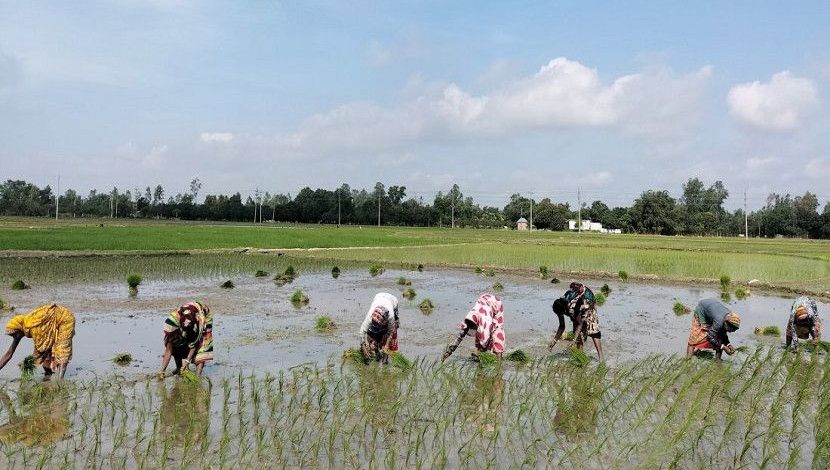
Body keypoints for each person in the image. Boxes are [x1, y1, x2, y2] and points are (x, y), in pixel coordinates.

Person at [0, 304, 76, 379]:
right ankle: (48, 373)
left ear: (19, 329)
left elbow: (41, 349)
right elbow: (9, 354)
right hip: (51, 322)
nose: (14, 337)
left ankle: (60, 380)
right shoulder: (21, 331)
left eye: (14, 334)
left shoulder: (33, 326)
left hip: (65, 318)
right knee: (46, 350)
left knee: (62, 348)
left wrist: (29, 362)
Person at [549, 282, 603, 361]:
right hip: (576, 310)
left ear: (564, 310)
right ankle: (580, 357)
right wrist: (554, 342)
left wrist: (573, 341)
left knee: (593, 332)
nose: (561, 316)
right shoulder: (560, 305)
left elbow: (580, 323)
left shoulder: (572, 307)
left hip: (588, 306)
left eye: (561, 314)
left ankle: (601, 359)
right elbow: (562, 326)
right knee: (578, 334)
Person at [442, 293, 505, 361]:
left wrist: (478, 353)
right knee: (481, 337)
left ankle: (499, 362)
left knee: (497, 332)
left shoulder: (485, 320)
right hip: (483, 301)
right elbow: (460, 337)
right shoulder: (469, 320)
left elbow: (486, 337)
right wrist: (449, 351)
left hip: (496, 304)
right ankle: (482, 357)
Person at [159, 301, 213, 378]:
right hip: (188, 321)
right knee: (176, 343)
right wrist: (162, 370)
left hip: (202, 317)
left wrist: (187, 362)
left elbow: (193, 344)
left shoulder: (192, 326)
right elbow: (168, 350)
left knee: (202, 346)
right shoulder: (175, 320)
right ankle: (179, 368)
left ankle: (197, 377)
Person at [359, 292, 400, 363]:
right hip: (379, 297)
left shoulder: (391, 317)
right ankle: (376, 350)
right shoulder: (370, 315)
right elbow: (362, 331)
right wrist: (363, 347)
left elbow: (390, 332)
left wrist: (387, 345)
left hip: (392, 301)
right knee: (372, 332)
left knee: (393, 331)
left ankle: (386, 356)